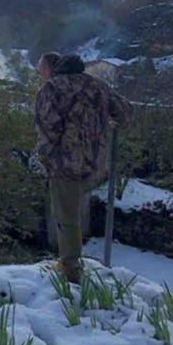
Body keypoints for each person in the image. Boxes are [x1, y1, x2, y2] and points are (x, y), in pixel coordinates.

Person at [34, 52, 132, 282]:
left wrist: (43, 156)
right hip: (95, 162)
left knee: (66, 215)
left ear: (50, 69)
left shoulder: (52, 89)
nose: (40, 76)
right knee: (75, 212)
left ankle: (70, 271)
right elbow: (125, 114)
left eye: (40, 71)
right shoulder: (98, 86)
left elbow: (48, 129)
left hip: (65, 162)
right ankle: (71, 262)